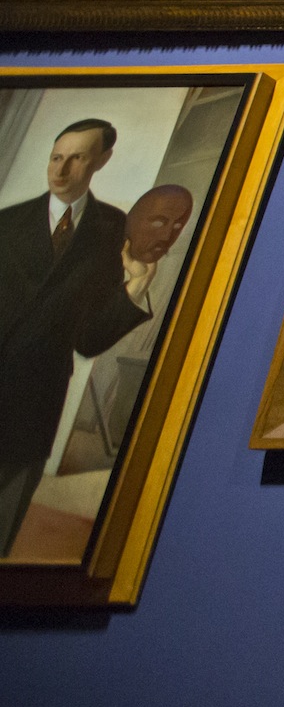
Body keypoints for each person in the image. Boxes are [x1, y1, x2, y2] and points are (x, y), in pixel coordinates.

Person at [0, 119, 160, 555]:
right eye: (56, 157)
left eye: (76, 158)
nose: (61, 169)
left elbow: (89, 340)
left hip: (37, 400)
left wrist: (135, 288)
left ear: (102, 161)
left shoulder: (112, 229)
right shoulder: (7, 223)